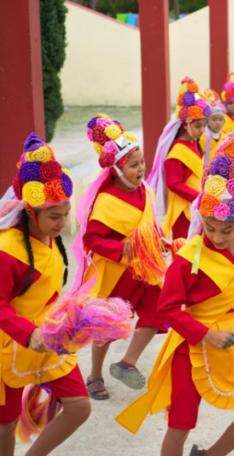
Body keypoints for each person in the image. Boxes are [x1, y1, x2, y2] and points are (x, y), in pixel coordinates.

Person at [116, 137, 234, 456]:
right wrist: (204, 334)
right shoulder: (187, 260)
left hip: (231, 341)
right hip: (190, 346)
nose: (218, 236)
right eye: (211, 227)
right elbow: (167, 311)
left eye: (228, 228)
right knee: (179, 426)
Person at [0, 133, 91, 456]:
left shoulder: (49, 238)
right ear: (29, 213)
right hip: (12, 344)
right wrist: (30, 333)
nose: (62, 222)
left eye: (65, 213)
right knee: (4, 422)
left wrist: (67, 320)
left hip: (49, 337)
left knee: (80, 406)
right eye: (55, 216)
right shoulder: (8, 251)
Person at [71, 114, 166, 399]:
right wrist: (122, 251)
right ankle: (95, 375)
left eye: (142, 163)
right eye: (134, 165)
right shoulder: (106, 201)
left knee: (158, 310)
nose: (141, 169)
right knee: (108, 326)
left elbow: (149, 225)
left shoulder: (144, 191)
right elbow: (91, 239)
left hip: (146, 269)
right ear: (117, 169)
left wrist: (162, 242)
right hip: (118, 272)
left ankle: (128, 363)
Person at [148, 77, 212, 242]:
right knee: (184, 248)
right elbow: (172, 182)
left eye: (204, 126)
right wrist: (197, 196)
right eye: (198, 126)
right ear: (186, 124)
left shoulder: (194, 144)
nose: (202, 131)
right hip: (183, 209)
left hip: (196, 203)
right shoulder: (177, 150)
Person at [200, 89, 227, 170]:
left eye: (220, 119)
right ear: (207, 120)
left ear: (224, 121)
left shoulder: (226, 138)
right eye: (214, 119)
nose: (218, 123)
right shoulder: (202, 137)